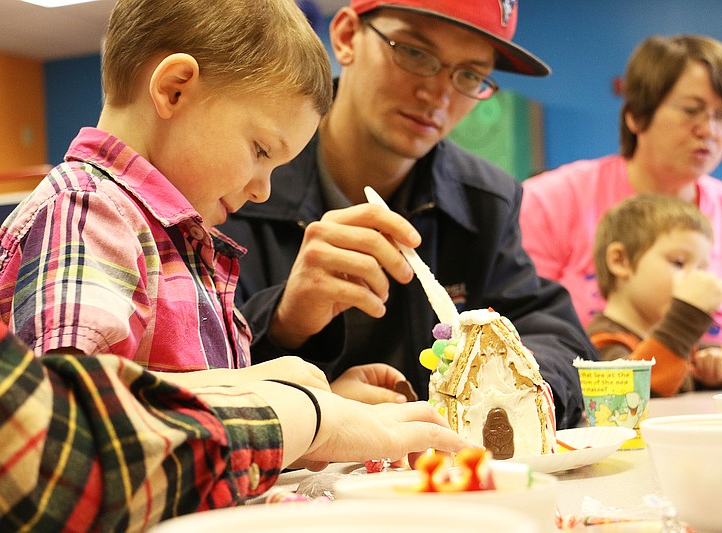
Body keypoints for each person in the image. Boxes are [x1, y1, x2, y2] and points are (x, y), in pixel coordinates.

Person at [0, 1, 471, 530]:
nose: (263, 189)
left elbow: (209, 428)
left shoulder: (178, 239)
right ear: (174, 88)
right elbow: (81, 428)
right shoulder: (87, 214)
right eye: (260, 151)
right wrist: (299, 413)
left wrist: (325, 412)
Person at [219, 0, 598, 428]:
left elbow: (557, 338)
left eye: (470, 75)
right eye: (415, 53)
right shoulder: (238, 179)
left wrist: (512, 393)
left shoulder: (484, 202)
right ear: (345, 38)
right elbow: (185, 376)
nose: (438, 93)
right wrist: (285, 322)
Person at [520, 34, 722, 355]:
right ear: (637, 115)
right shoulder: (549, 201)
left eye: (719, 116)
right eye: (691, 110)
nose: (710, 131)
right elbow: (517, 331)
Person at [588, 194, 722, 396]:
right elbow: (630, 397)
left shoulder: (680, 344)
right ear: (620, 261)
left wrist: (712, 370)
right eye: (678, 262)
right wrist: (687, 316)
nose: (694, 278)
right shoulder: (601, 341)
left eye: (701, 268)